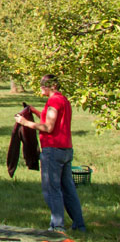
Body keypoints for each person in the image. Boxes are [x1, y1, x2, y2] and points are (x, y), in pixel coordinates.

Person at [14, 74, 86, 232]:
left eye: (43, 85)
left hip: (53, 150)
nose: (41, 88)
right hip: (66, 149)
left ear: (51, 86)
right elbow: (51, 119)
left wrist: (25, 123)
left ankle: (57, 226)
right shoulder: (63, 100)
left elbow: (48, 127)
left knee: (51, 189)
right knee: (68, 189)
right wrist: (34, 111)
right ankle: (79, 225)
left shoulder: (53, 101)